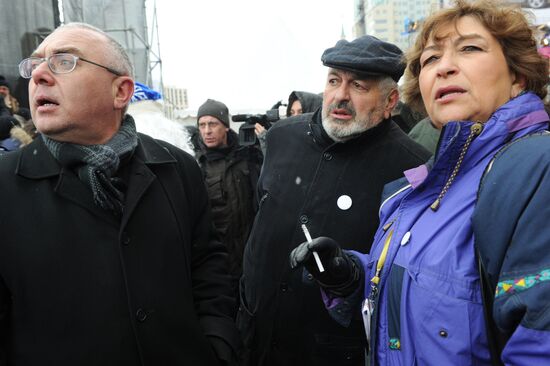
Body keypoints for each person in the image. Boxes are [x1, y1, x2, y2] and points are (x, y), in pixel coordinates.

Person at [291, 1, 550, 364]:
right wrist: (352, 276)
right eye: (429, 59)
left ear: (517, 76)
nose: (444, 67)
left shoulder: (537, 169)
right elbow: (434, 295)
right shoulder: (413, 188)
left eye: (470, 48)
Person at [0, 23, 240, 365]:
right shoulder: (6, 185)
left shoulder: (178, 168)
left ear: (121, 91)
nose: (38, 75)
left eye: (64, 61)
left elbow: (209, 268)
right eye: (35, 64)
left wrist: (218, 343)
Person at [238, 35, 431, 366]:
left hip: (333, 352)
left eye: (358, 86)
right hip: (253, 339)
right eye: (334, 81)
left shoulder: (414, 168)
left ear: (390, 101)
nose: (341, 96)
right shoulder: (282, 137)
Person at [196, 98, 263, 302]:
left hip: (252, 258)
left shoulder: (247, 156)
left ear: (225, 126)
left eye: (213, 124)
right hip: (220, 265)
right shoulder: (197, 166)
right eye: (202, 125)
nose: (207, 130)